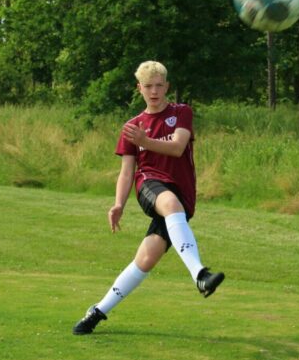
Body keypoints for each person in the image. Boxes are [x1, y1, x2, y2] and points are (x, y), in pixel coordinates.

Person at [72, 61, 225, 335]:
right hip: (149, 185)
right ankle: (200, 275)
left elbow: (178, 147)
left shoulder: (181, 112)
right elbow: (127, 171)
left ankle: (97, 311)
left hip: (182, 195)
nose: (154, 91)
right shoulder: (132, 126)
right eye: (148, 86)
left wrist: (146, 139)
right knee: (169, 204)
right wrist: (119, 203)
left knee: (146, 258)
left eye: (159, 85)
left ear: (167, 86)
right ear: (139, 88)